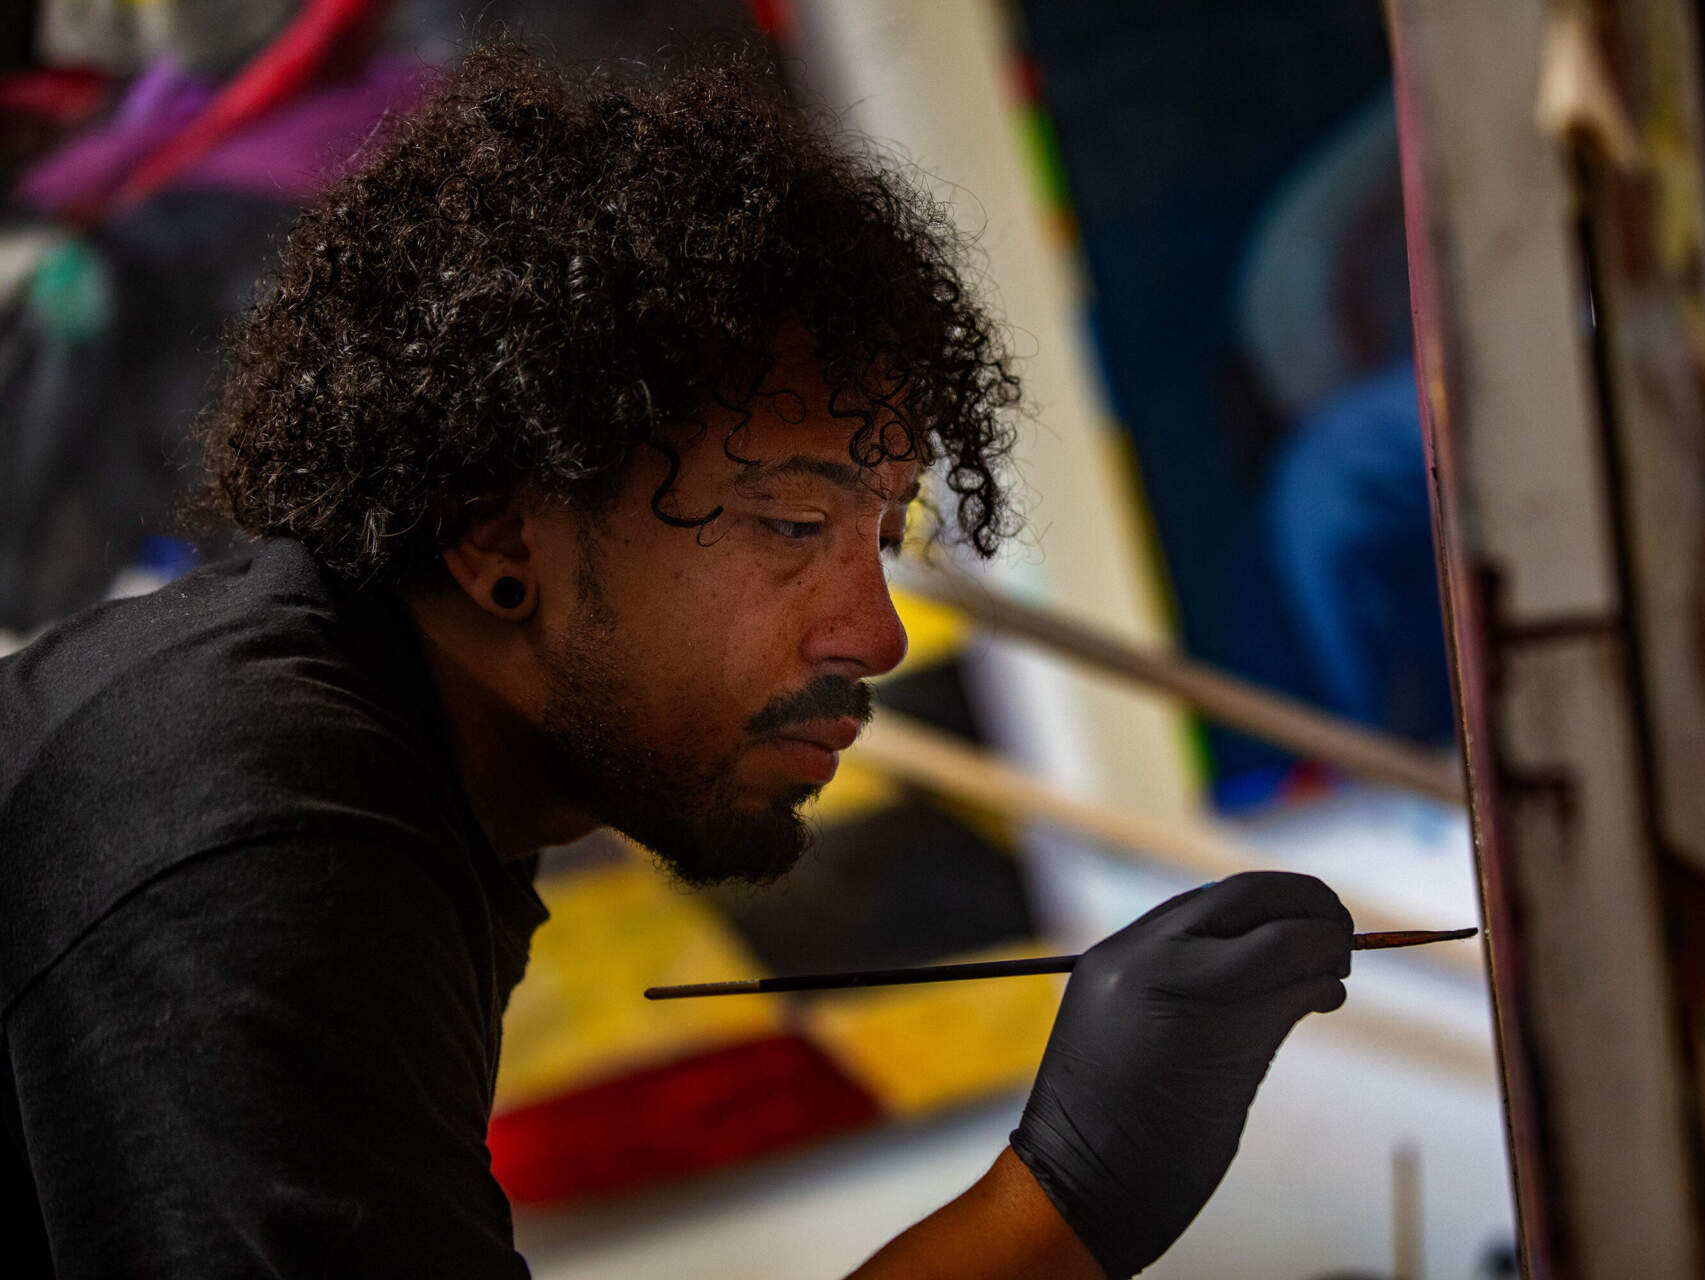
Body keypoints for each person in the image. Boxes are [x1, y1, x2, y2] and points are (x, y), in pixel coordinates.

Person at [0, 44, 1353, 1279]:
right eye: (787, 524)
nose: (875, 634)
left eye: (877, 538)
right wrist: (1069, 1193)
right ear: (495, 530)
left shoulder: (394, 785)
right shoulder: (251, 833)